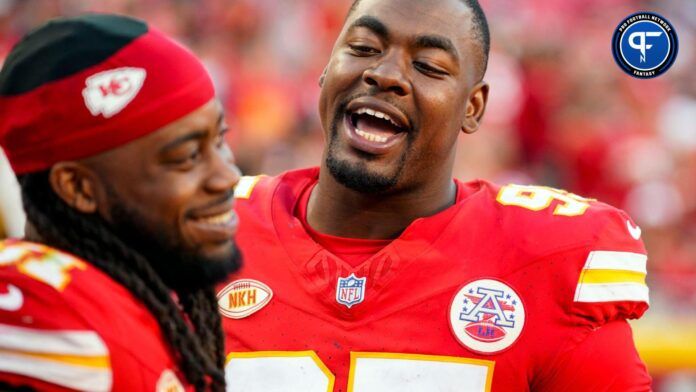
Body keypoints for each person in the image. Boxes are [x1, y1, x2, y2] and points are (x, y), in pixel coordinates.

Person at [219, 0, 651, 390]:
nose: (385, 75)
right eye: (364, 48)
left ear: (473, 107)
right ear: (325, 68)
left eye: (428, 66)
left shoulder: (545, 261)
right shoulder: (208, 229)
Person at [0, 14, 241, 392]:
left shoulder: (146, 297)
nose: (228, 176)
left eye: (219, 140)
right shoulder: (54, 316)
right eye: (187, 157)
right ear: (77, 187)